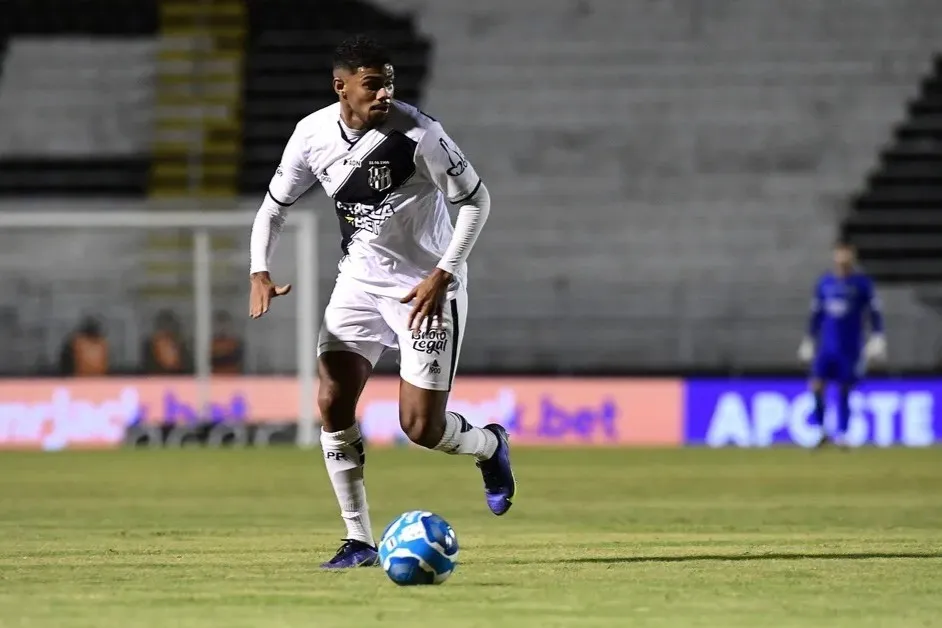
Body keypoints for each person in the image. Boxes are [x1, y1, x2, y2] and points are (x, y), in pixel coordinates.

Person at [247, 35, 515, 568]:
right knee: (330, 401)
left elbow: (477, 201)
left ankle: (489, 445)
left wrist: (444, 272)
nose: (384, 94)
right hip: (359, 288)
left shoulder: (421, 133)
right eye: (372, 85)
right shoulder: (311, 135)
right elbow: (273, 208)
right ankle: (358, 540)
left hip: (426, 290)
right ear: (340, 86)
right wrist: (259, 270)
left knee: (421, 429)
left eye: (389, 82)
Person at [798, 241, 886, 447]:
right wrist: (809, 339)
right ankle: (821, 431)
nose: (843, 258)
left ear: (852, 257)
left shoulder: (862, 284)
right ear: (835, 256)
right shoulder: (825, 283)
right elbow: (816, 313)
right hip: (826, 347)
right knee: (816, 386)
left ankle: (844, 433)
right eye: (840, 254)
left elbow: (874, 312)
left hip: (850, 347)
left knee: (844, 389)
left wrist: (877, 336)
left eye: (846, 254)